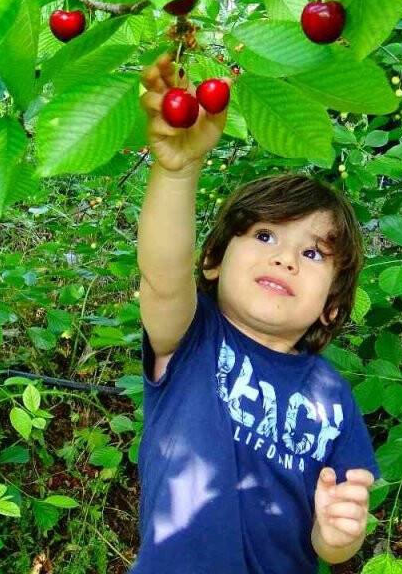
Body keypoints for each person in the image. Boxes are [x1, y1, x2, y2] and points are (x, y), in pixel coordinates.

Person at [130, 53, 379, 573]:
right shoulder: (191, 338)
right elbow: (162, 270)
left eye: (313, 253)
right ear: (215, 260)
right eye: (264, 235)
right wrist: (178, 170)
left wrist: (337, 534)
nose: (285, 257)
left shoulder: (334, 398)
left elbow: (334, 543)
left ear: (331, 308)